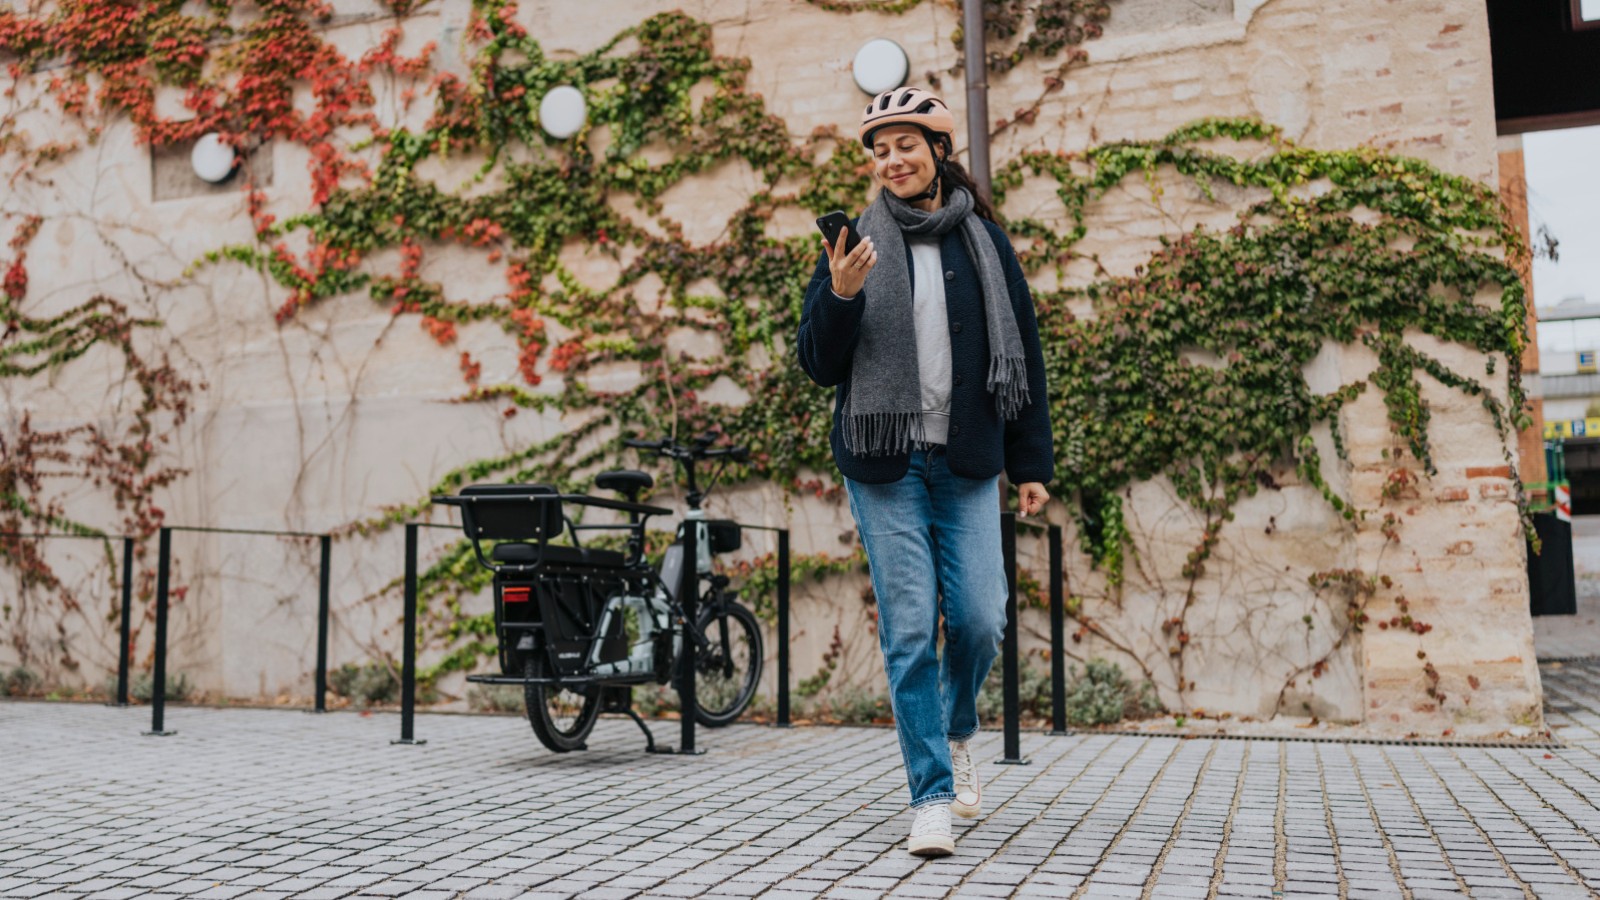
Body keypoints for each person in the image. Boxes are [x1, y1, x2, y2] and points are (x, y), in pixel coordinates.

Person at [796, 86, 1054, 858]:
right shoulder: (853, 242)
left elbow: (1024, 356)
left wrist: (1029, 462)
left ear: (938, 151)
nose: (892, 160)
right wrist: (839, 296)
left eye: (906, 144)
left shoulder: (984, 241)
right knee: (910, 629)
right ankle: (931, 797)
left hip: (967, 455)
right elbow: (816, 362)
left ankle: (956, 724)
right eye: (879, 150)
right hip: (885, 462)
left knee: (980, 616)